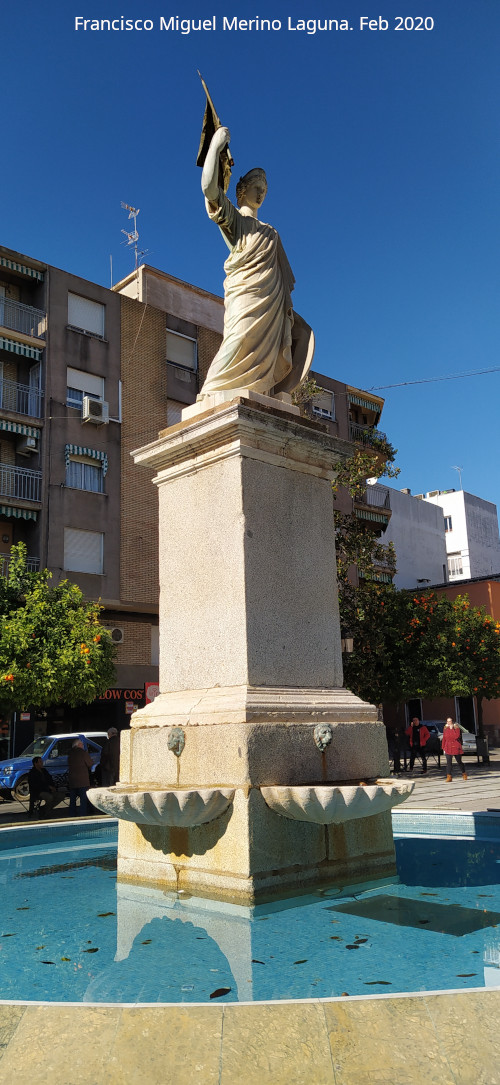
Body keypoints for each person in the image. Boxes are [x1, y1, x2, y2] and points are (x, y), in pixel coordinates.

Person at [199, 126, 314, 399]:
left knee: (288, 342)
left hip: (272, 303)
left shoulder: (271, 232)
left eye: (265, 189)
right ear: (241, 190)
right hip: (247, 295)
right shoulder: (237, 221)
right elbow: (209, 188)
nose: (261, 193)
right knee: (239, 339)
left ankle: (267, 389)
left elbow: (282, 279)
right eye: (256, 187)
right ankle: (212, 390)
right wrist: (215, 147)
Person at [67, 738, 92, 816]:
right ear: (78, 745)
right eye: (82, 744)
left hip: (72, 780)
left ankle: (72, 814)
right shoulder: (83, 753)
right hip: (82, 780)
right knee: (83, 800)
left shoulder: (70, 753)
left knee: (72, 800)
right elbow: (89, 763)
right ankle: (82, 815)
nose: (83, 745)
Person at [441, 717, 468, 782]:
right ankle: (449, 776)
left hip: (456, 747)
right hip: (448, 747)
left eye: (450, 721)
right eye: (447, 721)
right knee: (448, 763)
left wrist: (451, 729)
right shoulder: (445, 729)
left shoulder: (457, 728)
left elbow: (456, 736)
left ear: (452, 722)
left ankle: (464, 773)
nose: (449, 723)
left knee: (459, 762)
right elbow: (444, 738)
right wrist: (443, 747)